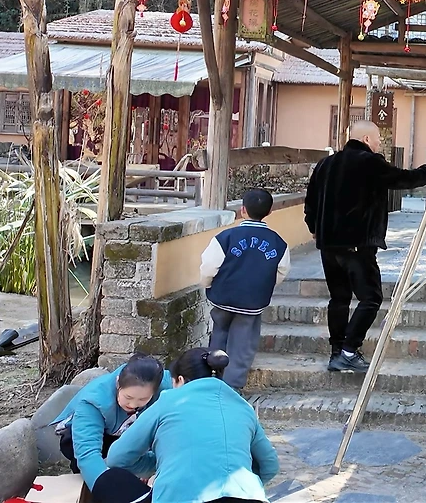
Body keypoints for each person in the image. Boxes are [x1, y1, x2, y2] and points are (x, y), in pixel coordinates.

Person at [305, 119, 426, 373]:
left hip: (328, 246)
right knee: (371, 298)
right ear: (366, 139)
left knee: (339, 299)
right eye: (377, 139)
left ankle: (337, 353)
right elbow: (405, 179)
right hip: (357, 245)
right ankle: (348, 351)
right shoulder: (368, 161)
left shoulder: (325, 164)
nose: (379, 144)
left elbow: (310, 202)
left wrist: (315, 229)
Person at [106, 348, 280, 503]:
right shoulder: (244, 407)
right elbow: (270, 465)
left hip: (182, 497)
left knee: (109, 480)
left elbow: (117, 457)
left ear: (179, 380)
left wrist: (160, 463)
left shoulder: (170, 401)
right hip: (247, 497)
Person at [199, 187, 291, 390]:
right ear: (270, 212)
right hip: (253, 301)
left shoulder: (225, 237)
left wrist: (208, 284)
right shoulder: (279, 243)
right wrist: (263, 286)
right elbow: (282, 271)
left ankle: (213, 378)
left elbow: (208, 266)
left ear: (242, 210)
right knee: (243, 342)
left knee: (219, 333)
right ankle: (232, 385)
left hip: (222, 297)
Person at [52, 354, 171, 494]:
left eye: (143, 399)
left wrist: (150, 471)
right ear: (118, 383)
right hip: (94, 436)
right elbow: (88, 453)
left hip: (130, 431)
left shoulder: (167, 387)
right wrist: (108, 490)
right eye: (128, 397)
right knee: (93, 469)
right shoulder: (94, 401)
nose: (133, 404)